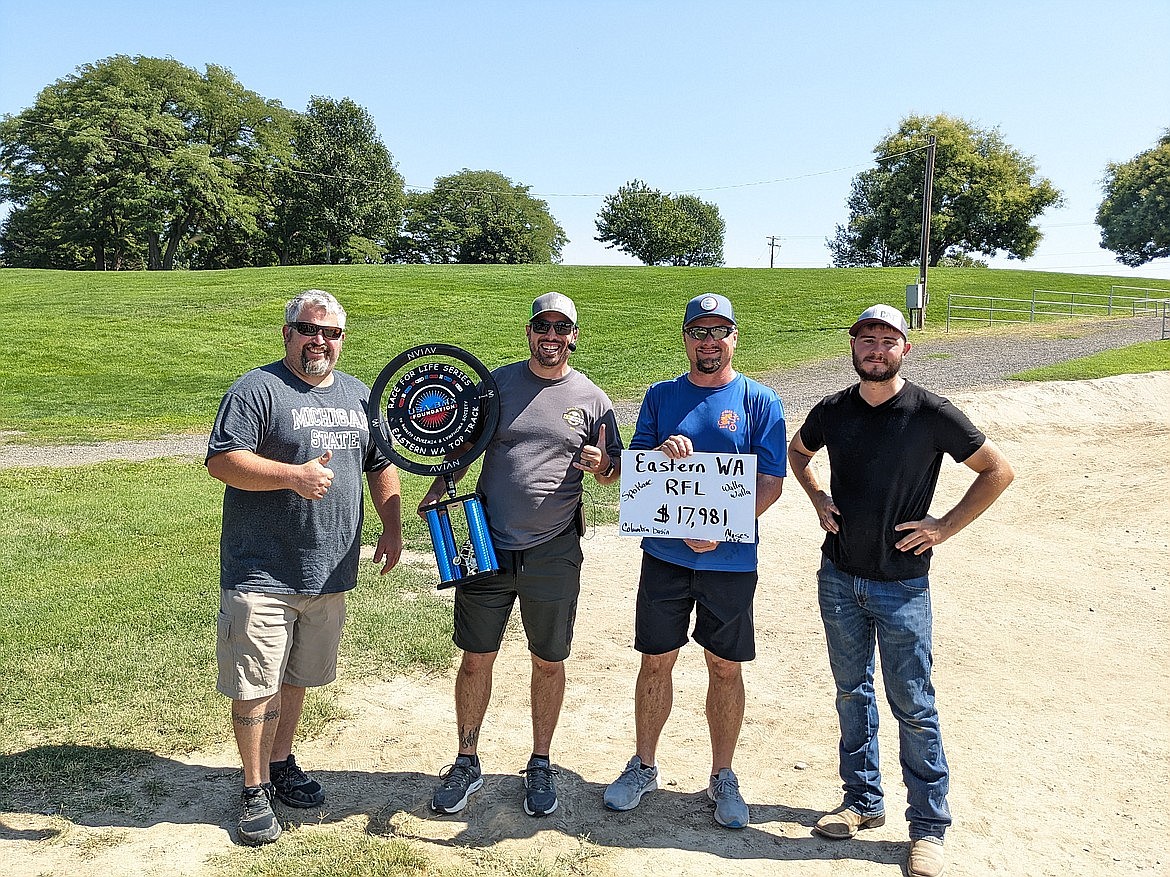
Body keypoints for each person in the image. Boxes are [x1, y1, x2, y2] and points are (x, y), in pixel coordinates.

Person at [786, 304, 1015, 877]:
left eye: (888, 341)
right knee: (851, 693)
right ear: (853, 346)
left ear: (904, 349)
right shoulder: (833, 410)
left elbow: (997, 471)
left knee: (913, 703)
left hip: (903, 587)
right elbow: (798, 452)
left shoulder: (931, 414)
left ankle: (929, 827)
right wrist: (817, 499)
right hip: (838, 577)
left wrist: (943, 526)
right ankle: (861, 801)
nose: (876, 350)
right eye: (866, 339)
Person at [206, 290, 403, 846]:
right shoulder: (258, 389)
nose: (321, 341)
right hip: (262, 571)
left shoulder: (359, 396)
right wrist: (291, 475)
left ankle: (282, 760)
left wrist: (390, 527)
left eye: (332, 333)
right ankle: (252, 787)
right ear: (288, 333)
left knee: (297, 677)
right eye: (309, 330)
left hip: (328, 570)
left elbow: (380, 463)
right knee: (256, 681)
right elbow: (223, 461)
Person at [418, 292, 623, 819]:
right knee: (475, 658)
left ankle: (540, 762)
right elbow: (464, 445)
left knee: (548, 661)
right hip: (486, 545)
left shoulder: (594, 400)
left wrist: (603, 465)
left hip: (554, 550)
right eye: (542, 326)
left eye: (561, 328)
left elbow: (618, 470)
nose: (551, 336)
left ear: (574, 335)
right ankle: (466, 759)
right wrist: (442, 485)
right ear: (529, 331)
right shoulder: (497, 386)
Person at [603, 293, 786, 829]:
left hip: (729, 562)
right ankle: (644, 764)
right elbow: (635, 469)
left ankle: (722, 774)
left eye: (719, 331)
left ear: (734, 337)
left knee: (724, 667)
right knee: (656, 659)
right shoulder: (661, 397)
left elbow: (770, 482)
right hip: (664, 556)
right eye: (698, 331)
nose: (709, 341)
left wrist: (718, 530)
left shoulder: (760, 400)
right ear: (685, 338)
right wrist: (662, 456)